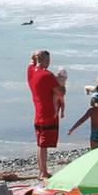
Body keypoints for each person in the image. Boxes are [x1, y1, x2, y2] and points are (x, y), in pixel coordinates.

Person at [27, 50, 62, 178]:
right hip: (47, 113)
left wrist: (34, 57)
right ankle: (43, 172)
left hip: (38, 113)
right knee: (43, 144)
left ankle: (42, 170)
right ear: (45, 60)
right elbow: (60, 92)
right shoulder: (47, 76)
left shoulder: (31, 71)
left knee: (40, 144)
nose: (48, 62)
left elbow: (30, 61)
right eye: (47, 60)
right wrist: (62, 81)